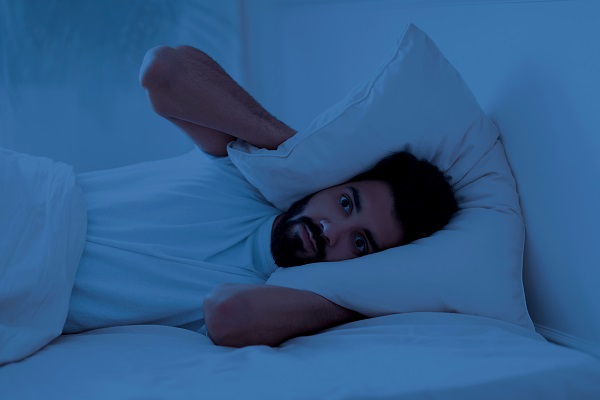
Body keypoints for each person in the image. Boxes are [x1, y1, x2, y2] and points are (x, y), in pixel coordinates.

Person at [64, 45, 457, 348]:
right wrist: (296, 154)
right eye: (345, 203)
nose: (330, 230)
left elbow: (227, 315)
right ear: (334, 181)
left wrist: (354, 299)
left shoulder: (273, 293)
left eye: (359, 243)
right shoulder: (241, 173)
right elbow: (163, 71)